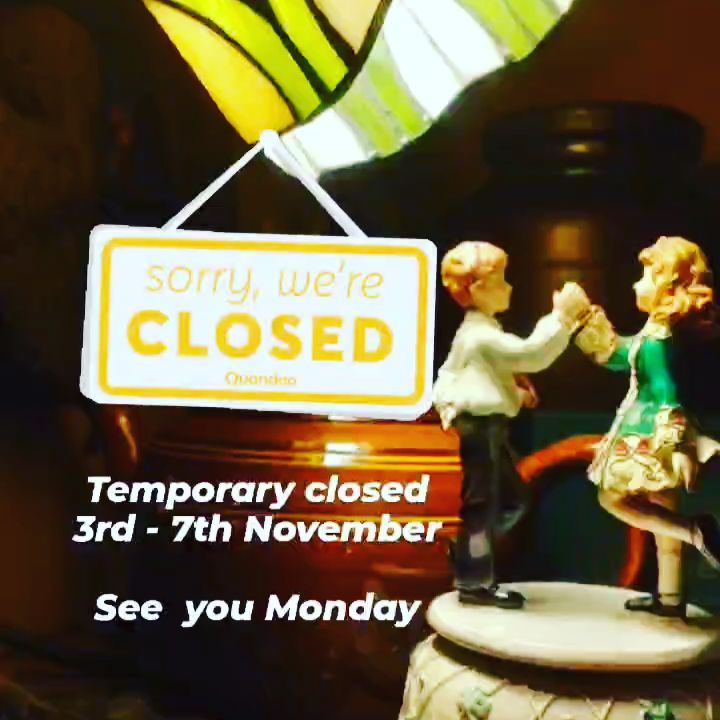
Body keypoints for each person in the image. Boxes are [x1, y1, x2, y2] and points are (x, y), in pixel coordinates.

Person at [432, 240, 590, 609]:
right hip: (480, 426)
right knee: (484, 505)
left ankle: (469, 554)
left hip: (488, 424)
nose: (509, 288)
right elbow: (530, 354)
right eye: (501, 280)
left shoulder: (483, 333)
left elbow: (483, 376)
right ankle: (474, 579)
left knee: (511, 500)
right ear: (476, 289)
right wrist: (561, 318)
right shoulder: (480, 336)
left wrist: (515, 393)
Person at [574, 235, 720, 618]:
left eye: (645, 277)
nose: (636, 284)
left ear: (668, 290)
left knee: (612, 499)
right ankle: (670, 597)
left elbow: (666, 392)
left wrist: (676, 443)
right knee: (661, 519)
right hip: (658, 431)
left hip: (647, 433)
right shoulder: (656, 334)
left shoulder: (658, 341)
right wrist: (588, 323)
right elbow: (620, 355)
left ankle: (693, 531)